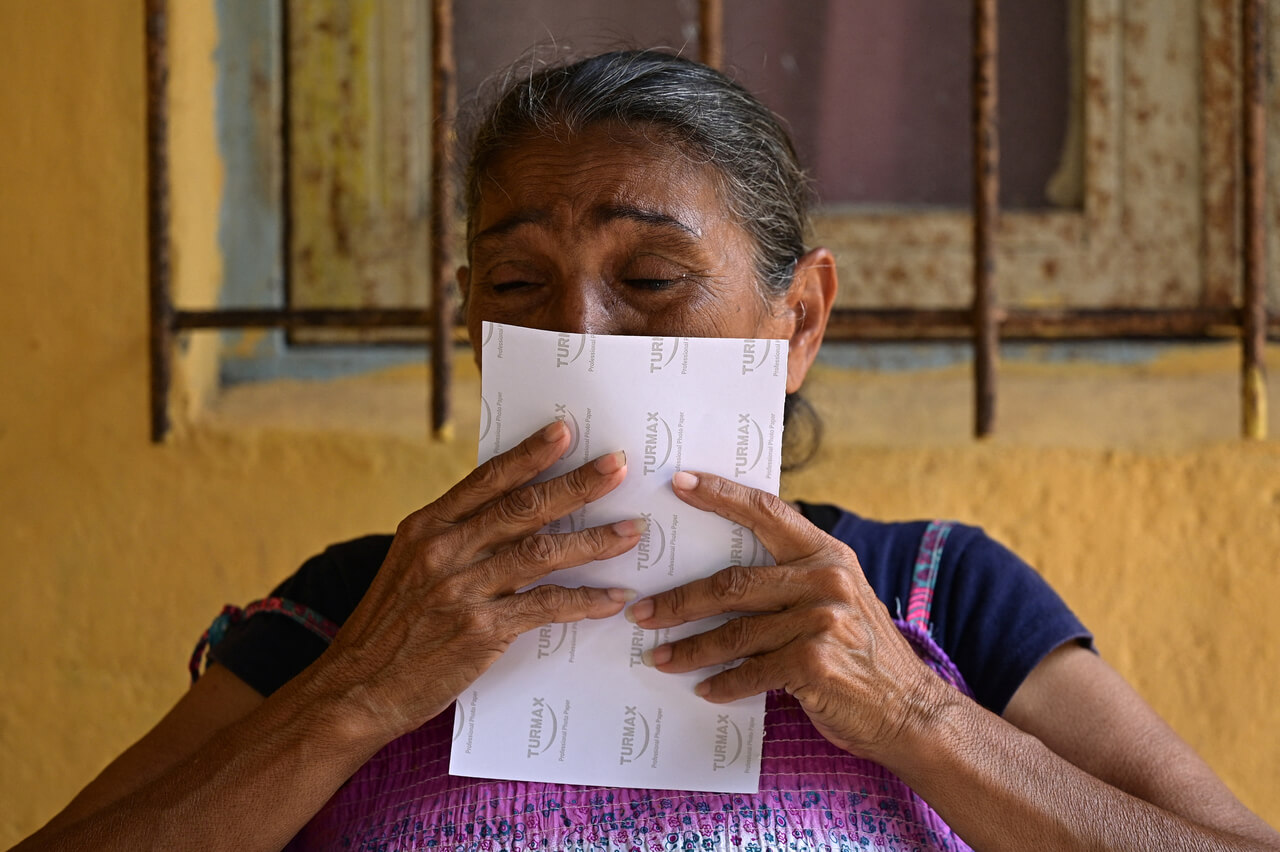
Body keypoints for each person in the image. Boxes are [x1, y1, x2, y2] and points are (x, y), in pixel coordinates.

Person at [14, 49, 1280, 852]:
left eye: (652, 277)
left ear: (799, 319)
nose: (577, 330)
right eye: (517, 281)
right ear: (467, 314)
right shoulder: (364, 605)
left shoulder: (935, 593)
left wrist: (909, 714)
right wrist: (358, 696)